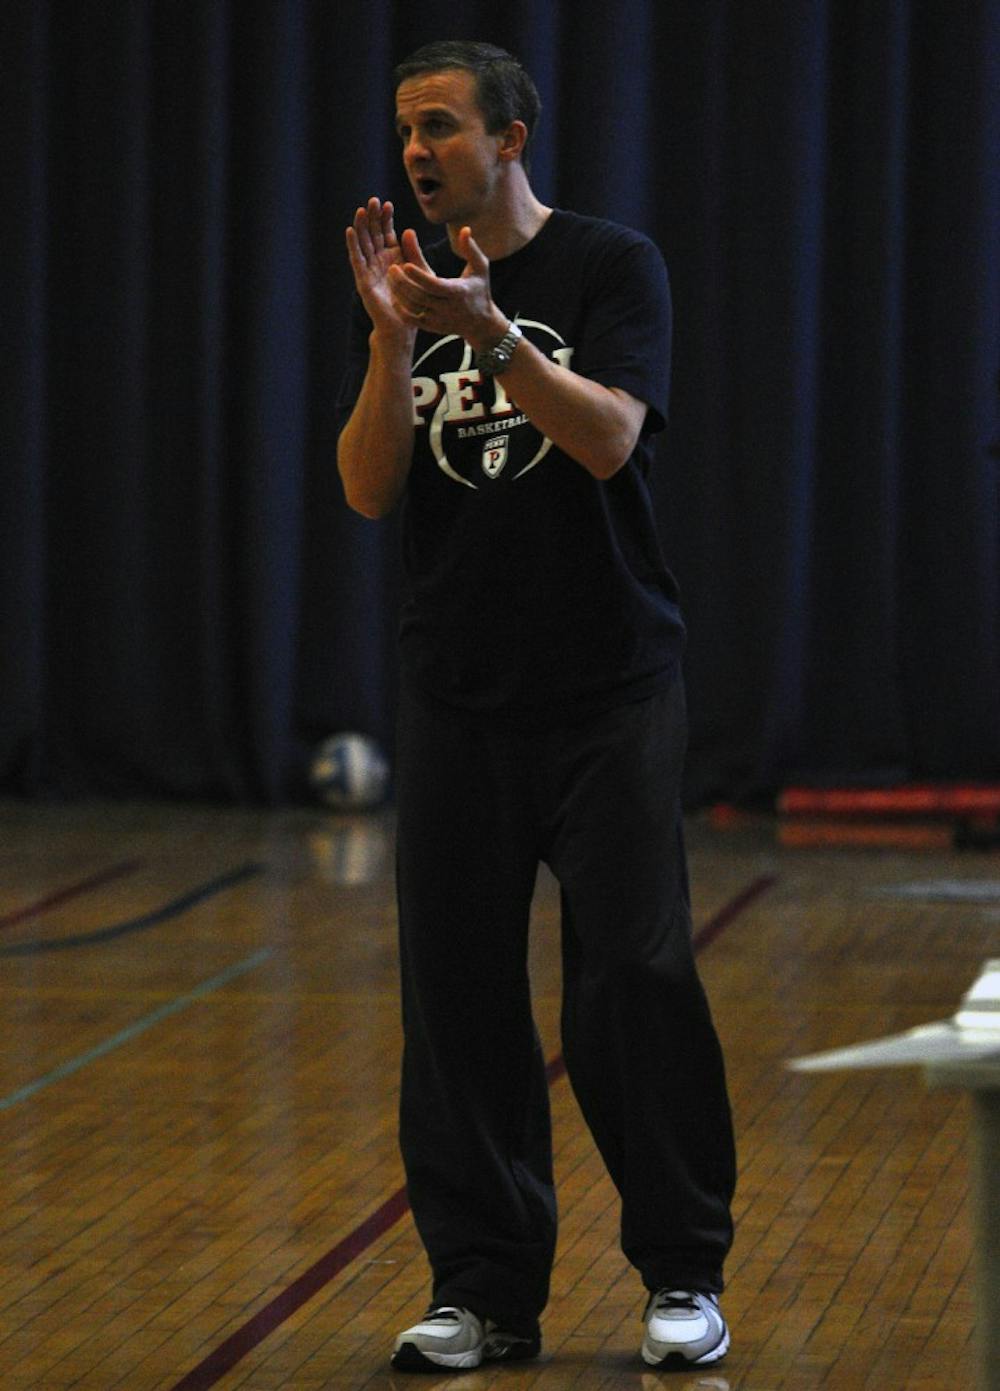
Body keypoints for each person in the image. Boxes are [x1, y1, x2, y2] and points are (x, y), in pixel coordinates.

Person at [335, 39, 735, 1373]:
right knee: (457, 1000)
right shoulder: (408, 289)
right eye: (405, 131)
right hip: (460, 694)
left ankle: (682, 1273)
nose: (415, 151)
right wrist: (396, 345)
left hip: (610, 686)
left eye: (440, 126)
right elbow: (371, 488)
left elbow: (611, 438)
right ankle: (485, 1291)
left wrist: (493, 332)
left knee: (632, 975)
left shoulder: (611, 267)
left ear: (510, 141)